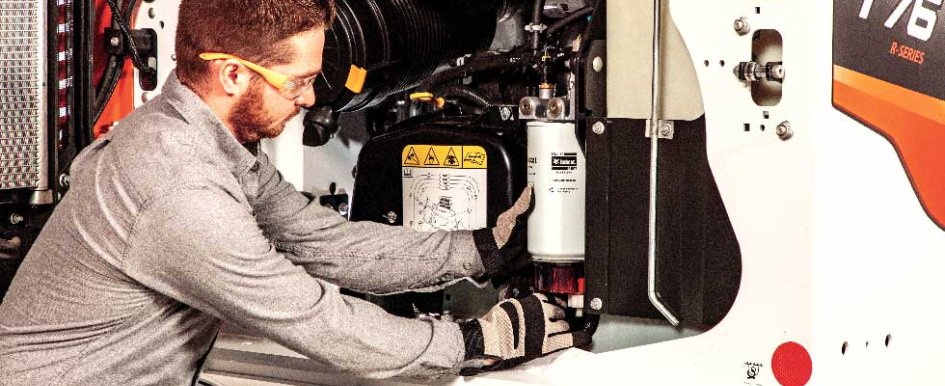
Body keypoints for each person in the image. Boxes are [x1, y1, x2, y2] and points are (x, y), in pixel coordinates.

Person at [0, 0, 590, 384]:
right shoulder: (176, 187)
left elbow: (322, 240)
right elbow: (310, 315)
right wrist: (474, 339)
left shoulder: (209, 142)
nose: (310, 99)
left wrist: (479, 249)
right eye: (299, 82)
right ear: (233, 74)